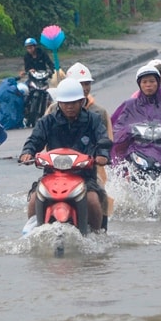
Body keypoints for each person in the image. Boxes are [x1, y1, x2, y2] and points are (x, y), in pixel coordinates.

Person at [19, 76, 112, 232]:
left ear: (82, 101)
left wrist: (102, 155)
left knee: (93, 201)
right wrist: (28, 152)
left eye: (74, 102)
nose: (70, 106)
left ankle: (97, 236)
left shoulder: (93, 120)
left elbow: (103, 139)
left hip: (84, 175)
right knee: (34, 199)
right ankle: (33, 233)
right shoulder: (47, 121)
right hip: (52, 175)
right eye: (65, 103)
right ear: (59, 103)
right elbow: (35, 139)